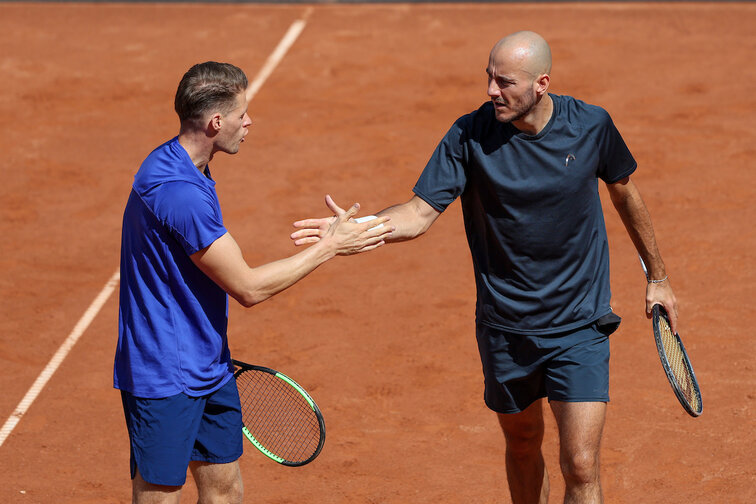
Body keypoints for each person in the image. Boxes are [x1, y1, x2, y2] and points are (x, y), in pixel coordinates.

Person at [291, 31, 678, 504]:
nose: (492, 91)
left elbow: (625, 193)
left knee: (580, 464)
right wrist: (361, 230)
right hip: (505, 328)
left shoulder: (592, 126)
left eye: (505, 82)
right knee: (521, 444)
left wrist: (657, 277)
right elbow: (417, 214)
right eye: (489, 78)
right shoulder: (468, 134)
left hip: (580, 324)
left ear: (542, 83)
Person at [114, 61, 391, 504]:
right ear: (215, 122)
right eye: (242, 113)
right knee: (160, 494)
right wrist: (330, 247)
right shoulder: (178, 192)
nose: (249, 121)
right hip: (166, 373)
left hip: (208, 363)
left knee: (225, 489)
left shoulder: (182, 163)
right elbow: (248, 287)